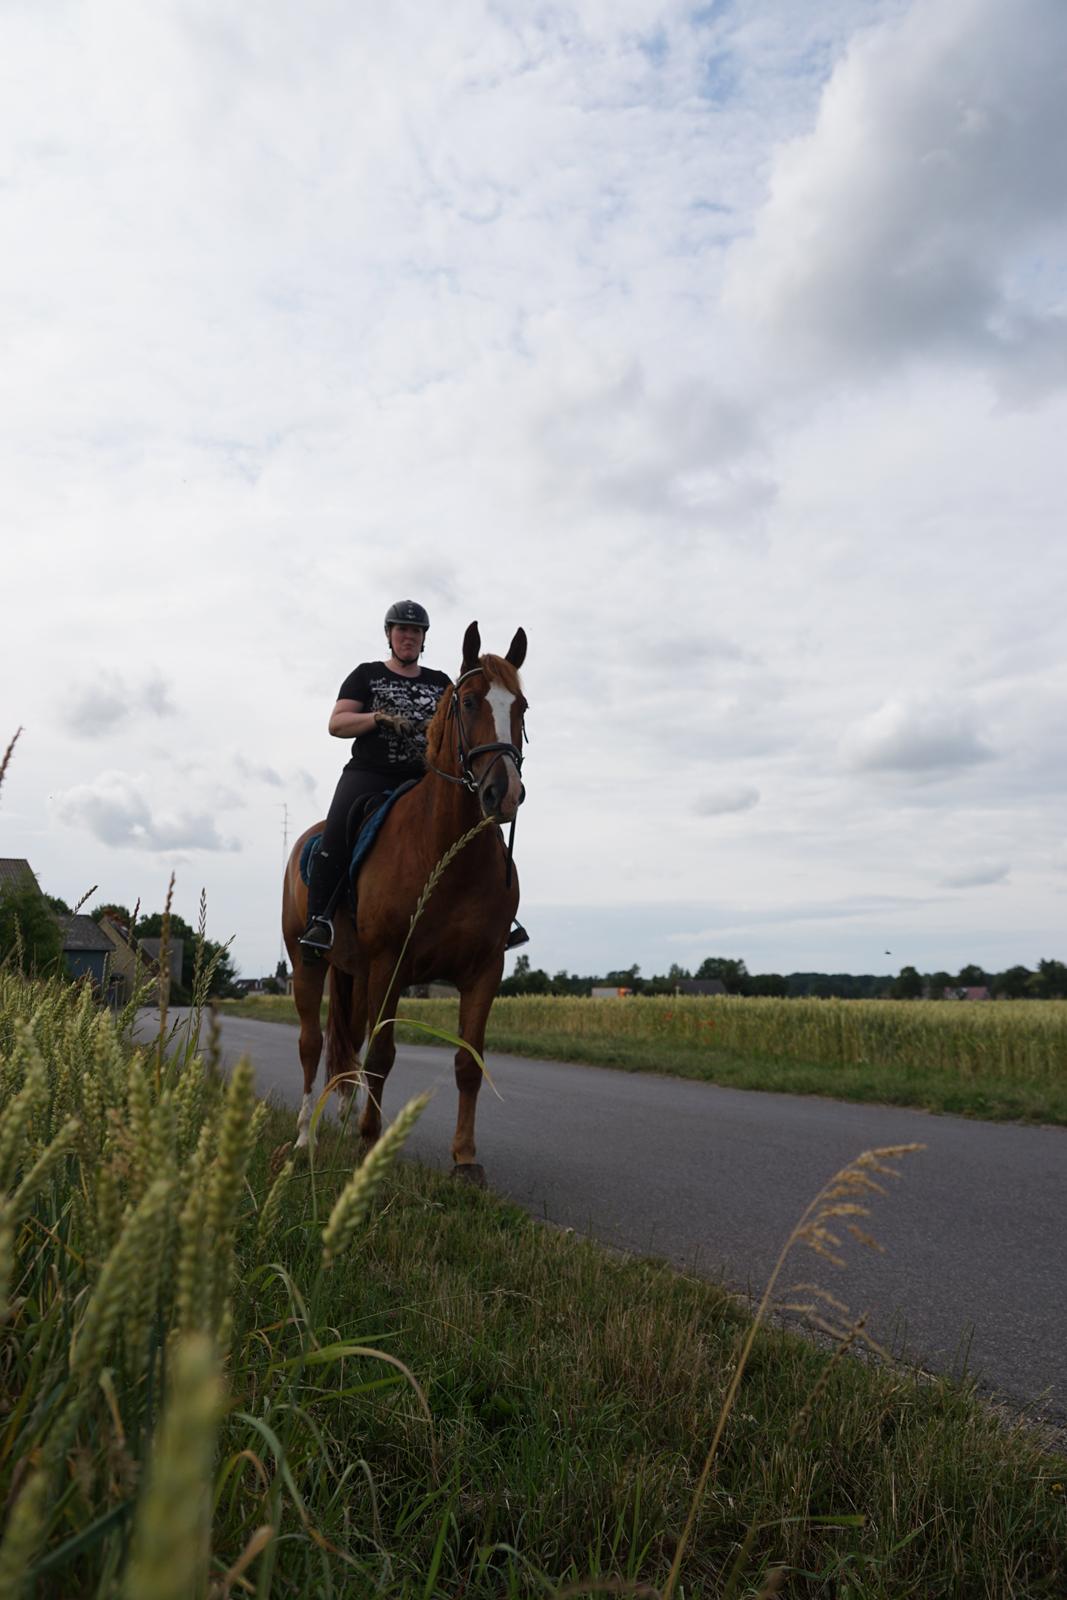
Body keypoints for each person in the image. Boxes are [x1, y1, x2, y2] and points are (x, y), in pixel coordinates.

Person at [299, 600, 451, 954]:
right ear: (389, 634)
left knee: (473, 819)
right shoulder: (366, 675)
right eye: (402, 629)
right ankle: (319, 921)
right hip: (370, 773)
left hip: (424, 776)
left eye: (416, 631)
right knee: (337, 830)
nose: (409, 636)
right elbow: (337, 723)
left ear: (424, 638)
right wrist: (377, 718)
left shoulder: (441, 683)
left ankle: (497, 916)